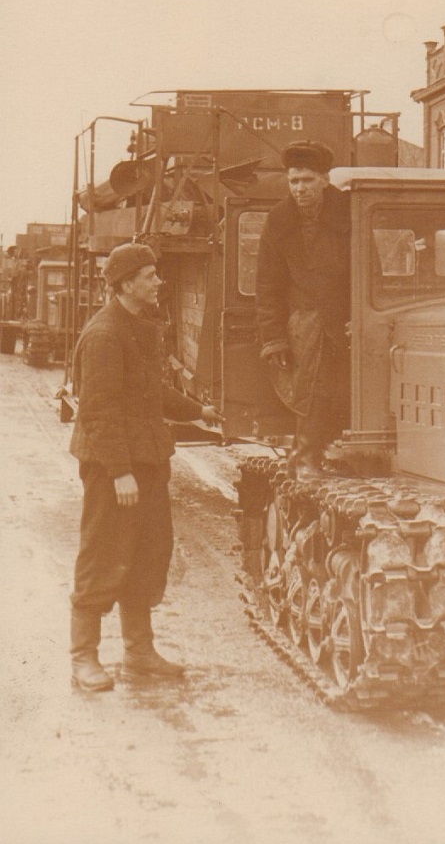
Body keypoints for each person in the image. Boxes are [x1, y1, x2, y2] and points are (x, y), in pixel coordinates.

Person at [69, 242, 221, 692]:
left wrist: (199, 412)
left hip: (148, 459)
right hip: (113, 465)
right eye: (150, 275)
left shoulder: (139, 327)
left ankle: (138, 652)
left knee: (147, 552)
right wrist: (119, 471)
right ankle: (84, 658)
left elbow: (150, 390)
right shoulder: (104, 335)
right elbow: (98, 410)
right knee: (103, 552)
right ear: (126, 284)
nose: (159, 282)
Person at [255, 140, 350, 479]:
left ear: (325, 179)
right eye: (293, 181)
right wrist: (274, 339)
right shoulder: (279, 220)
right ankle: (306, 456)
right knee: (313, 385)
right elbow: (267, 285)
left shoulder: (350, 210)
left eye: (307, 180)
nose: (299, 189)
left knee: (351, 387)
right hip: (304, 320)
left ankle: (340, 454)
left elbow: (372, 265)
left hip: (347, 317)